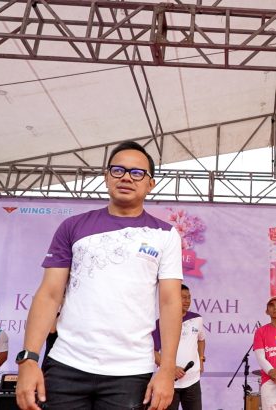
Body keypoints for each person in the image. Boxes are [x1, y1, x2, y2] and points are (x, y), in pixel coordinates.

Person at [16, 141, 184, 410]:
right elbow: (49, 294)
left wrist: (166, 369)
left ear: (150, 184)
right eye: (118, 170)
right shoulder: (73, 226)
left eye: (137, 173)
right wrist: (29, 359)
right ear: (106, 177)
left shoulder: (166, 234)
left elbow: (169, 302)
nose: (126, 177)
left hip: (131, 372)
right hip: (66, 364)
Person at [153, 284, 206, 410]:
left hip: (193, 381)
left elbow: (201, 339)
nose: (187, 301)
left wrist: (201, 359)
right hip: (169, 383)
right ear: (175, 299)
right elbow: (152, 352)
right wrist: (171, 368)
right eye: (183, 297)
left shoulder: (197, 319)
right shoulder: (162, 323)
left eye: (189, 297)